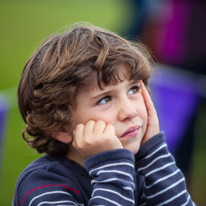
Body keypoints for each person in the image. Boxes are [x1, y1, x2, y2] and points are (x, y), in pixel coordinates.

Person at [13, 22, 195, 206]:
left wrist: (154, 155)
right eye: (105, 99)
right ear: (60, 126)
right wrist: (113, 169)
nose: (130, 111)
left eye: (133, 89)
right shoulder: (42, 186)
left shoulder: (145, 169)